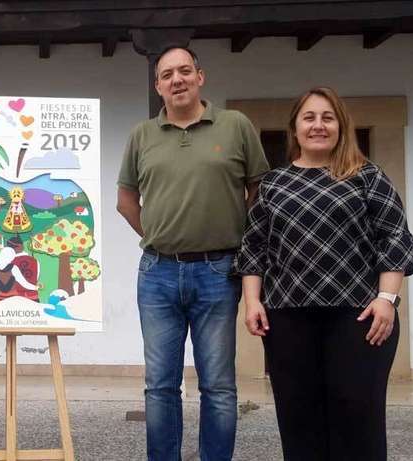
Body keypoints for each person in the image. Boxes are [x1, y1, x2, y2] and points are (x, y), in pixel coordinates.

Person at [235, 86, 413, 461]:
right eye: (309, 117)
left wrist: (387, 299)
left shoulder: (368, 177)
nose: (318, 125)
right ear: (295, 128)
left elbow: (394, 238)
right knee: (298, 419)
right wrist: (252, 301)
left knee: (358, 418)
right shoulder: (273, 184)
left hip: (359, 317)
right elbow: (254, 245)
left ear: (341, 126)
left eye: (327, 117)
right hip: (288, 319)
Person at [117, 46, 269, 460]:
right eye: (167, 75)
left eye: (184, 71)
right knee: (160, 386)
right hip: (157, 273)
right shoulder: (142, 135)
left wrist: (242, 236)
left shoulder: (235, 125)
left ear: (200, 77)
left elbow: (259, 189)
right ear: (158, 86)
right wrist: (160, 234)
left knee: (218, 385)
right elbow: (126, 201)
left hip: (218, 271)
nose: (177, 80)